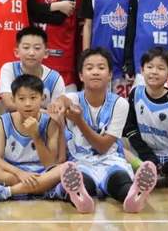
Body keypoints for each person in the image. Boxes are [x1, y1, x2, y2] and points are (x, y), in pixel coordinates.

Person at [47, 47, 158, 214]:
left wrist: (79, 121)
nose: (95, 72)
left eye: (101, 67)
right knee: (83, 183)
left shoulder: (120, 104)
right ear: (81, 75)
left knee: (120, 180)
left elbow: (103, 146)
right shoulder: (73, 98)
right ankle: (80, 199)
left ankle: (133, 197)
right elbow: (64, 99)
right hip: (80, 162)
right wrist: (59, 103)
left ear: (110, 74)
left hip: (110, 159)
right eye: (89, 68)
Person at [0, 74, 64, 202]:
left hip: (41, 171)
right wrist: (20, 173)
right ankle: (43, 189)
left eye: (33, 98)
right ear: (13, 99)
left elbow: (50, 164)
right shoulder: (5, 120)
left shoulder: (50, 121)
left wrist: (35, 135)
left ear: (42, 98)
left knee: (62, 169)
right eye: (21, 98)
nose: (28, 103)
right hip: (14, 172)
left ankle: (7, 192)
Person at [124, 47, 168, 188]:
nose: (154, 71)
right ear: (142, 70)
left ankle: (158, 176)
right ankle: (147, 172)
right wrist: (148, 158)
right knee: (118, 145)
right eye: (150, 67)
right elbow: (130, 129)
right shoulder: (135, 93)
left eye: (160, 68)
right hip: (144, 155)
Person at [81, 0, 133, 97]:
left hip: (126, 65)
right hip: (99, 63)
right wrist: (86, 58)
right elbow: (87, 26)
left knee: (125, 107)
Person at [0, 26, 66, 112]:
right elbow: (9, 103)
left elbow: (57, 111)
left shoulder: (55, 78)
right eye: (26, 47)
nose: (31, 53)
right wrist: (42, 112)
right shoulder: (9, 69)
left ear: (46, 53)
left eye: (37, 48)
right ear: (17, 52)